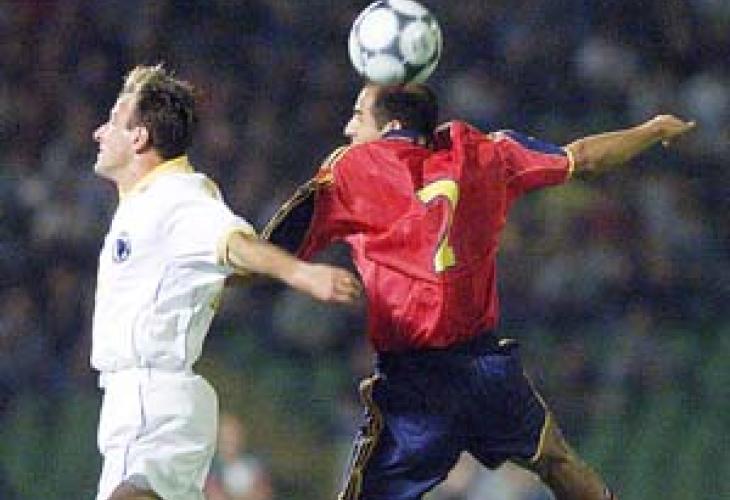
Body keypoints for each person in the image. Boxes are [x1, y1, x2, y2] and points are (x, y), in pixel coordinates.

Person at [263, 83, 695, 500]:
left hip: (414, 384)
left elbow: (270, 249)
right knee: (557, 461)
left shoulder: (353, 171)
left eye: (358, 116)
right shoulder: (484, 151)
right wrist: (651, 130)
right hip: (483, 368)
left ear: (391, 126)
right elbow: (581, 158)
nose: (348, 128)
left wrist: (240, 260)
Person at [90, 64, 361, 500]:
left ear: (139, 137)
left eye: (112, 121)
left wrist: (303, 274)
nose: (98, 132)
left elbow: (233, 243)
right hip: (141, 401)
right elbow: (223, 266)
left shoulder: (177, 196)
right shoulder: (147, 204)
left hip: (151, 393)